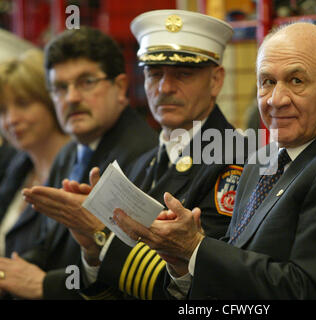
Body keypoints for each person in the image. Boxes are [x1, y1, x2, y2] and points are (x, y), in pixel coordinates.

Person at [112, 22, 316, 299]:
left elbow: (307, 289)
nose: (276, 99)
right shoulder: (264, 158)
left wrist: (195, 248)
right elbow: (236, 259)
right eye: (268, 82)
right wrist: (181, 263)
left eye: (297, 81)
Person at [22, 10, 245, 300]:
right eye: (154, 73)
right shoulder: (147, 160)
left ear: (216, 80)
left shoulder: (235, 158)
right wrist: (92, 249)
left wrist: (102, 234)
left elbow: (204, 282)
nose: (164, 88)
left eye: (183, 74)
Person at [0, 27, 158, 299]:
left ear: (120, 87)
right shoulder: (71, 150)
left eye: (86, 82)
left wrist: (46, 285)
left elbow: (133, 275)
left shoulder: (143, 156)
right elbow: (48, 242)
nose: (72, 97)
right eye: (60, 87)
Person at [0, 49, 70, 259]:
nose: (11, 119)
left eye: (23, 104)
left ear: (50, 101)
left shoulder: (79, 167)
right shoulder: (17, 164)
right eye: (2, 110)